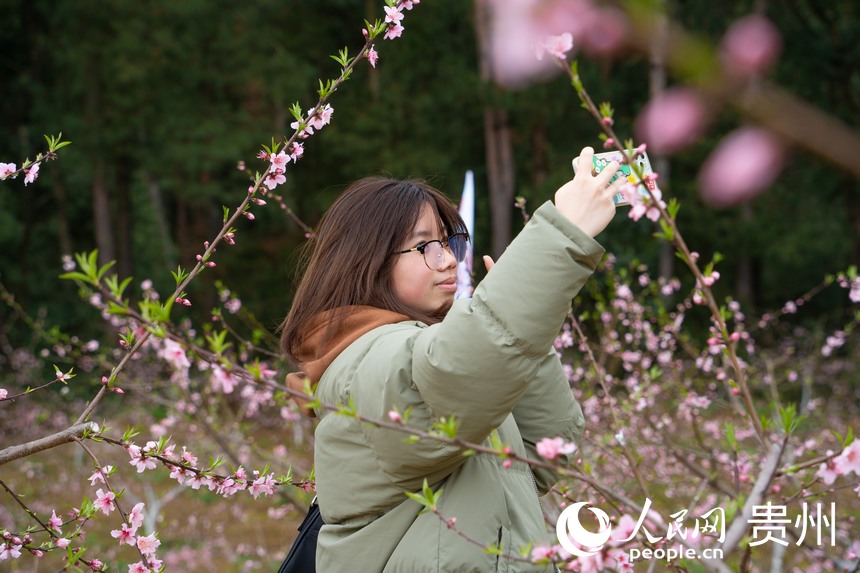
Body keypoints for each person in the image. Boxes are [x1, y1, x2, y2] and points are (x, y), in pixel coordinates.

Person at [279, 147, 623, 572]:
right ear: (366, 261)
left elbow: (543, 456)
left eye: (447, 242)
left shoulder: (425, 348)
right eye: (424, 245)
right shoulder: (362, 362)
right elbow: (453, 378)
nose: (449, 260)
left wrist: (522, 334)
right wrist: (563, 232)